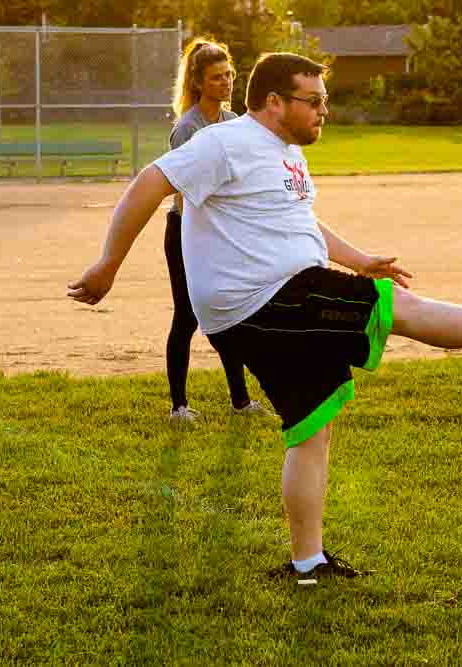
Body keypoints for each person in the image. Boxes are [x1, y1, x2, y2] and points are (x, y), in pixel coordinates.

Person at [68, 53, 462, 586]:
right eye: (312, 101)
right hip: (266, 297)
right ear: (274, 103)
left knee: (311, 428)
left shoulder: (284, 152)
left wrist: (358, 259)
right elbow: (149, 183)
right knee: (393, 308)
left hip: (275, 301)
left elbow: (300, 220)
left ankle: (306, 564)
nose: (324, 112)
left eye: (325, 101)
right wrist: (108, 265)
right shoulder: (225, 142)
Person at [165, 38, 266, 423]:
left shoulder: (232, 123)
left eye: (229, 76)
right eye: (217, 77)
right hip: (185, 234)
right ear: (199, 82)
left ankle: (240, 402)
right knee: (186, 317)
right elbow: (179, 192)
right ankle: (178, 406)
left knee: (231, 314)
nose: (226, 83)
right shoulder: (187, 128)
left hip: (220, 233)